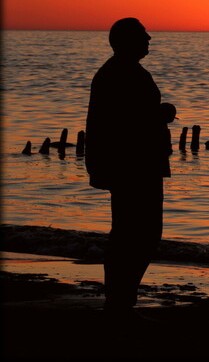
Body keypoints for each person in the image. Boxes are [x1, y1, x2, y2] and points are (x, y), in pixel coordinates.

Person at [86, 18, 174, 315]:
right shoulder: (121, 73)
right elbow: (125, 122)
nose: (149, 38)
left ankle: (121, 296)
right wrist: (160, 113)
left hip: (133, 165)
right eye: (143, 35)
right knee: (139, 234)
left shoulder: (120, 71)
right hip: (134, 166)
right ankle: (120, 299)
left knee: (132, 233)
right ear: (128, 41)